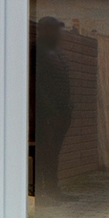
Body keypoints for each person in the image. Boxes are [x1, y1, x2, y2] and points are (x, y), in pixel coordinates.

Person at [32, 16, 73, 202]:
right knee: (45, 153)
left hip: (61, 111)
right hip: (47, 114)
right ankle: (43, 192)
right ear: (45, 30)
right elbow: (37, 84)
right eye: (55, 30)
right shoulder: (38, 50)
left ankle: (52, 190)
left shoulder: (56, 52)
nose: (59, 34)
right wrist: (48, 109)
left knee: (53, 152)